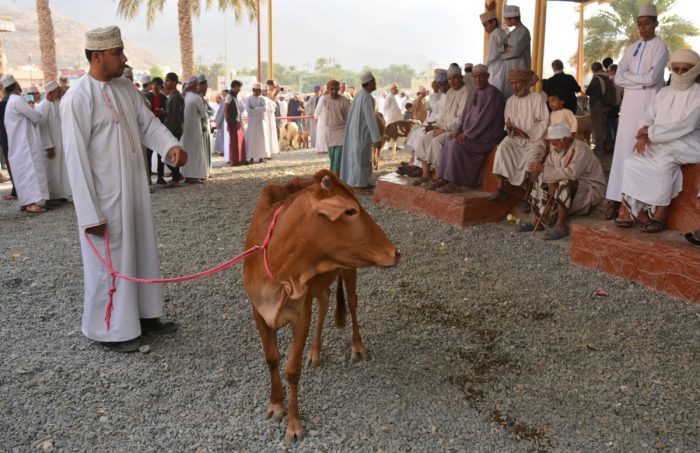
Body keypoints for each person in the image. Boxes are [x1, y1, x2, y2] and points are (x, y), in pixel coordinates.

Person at [60, 26, 188, 352]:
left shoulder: (126, 89)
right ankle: (110, 331)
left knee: (142, 252)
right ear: (98, 55)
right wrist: (89, 214)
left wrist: (169, 146)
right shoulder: (77, 98)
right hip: (104, 200)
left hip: (135, 192)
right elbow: (74, 160)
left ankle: (145, 316)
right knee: (111, 264)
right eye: (118, 53)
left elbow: (148, 125)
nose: (124, 58)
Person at [616, 48, 700, 233]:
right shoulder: (664, 92)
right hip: (659, 141)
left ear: (695, 70)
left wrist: (651, 133)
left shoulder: (698, 93)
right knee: (631, 162)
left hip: (687, 143)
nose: (679, 73)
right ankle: (638, 212)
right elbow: (648, 116)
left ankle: (660, 216)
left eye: (684, 70)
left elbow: (687, 125)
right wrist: (645, 132)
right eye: (675, 69)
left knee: (663, 165)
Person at [604, 4, 669, 220]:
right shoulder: (632, 48)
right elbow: (617, 76)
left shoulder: (661, 47)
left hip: (649, 106)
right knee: (622, 150)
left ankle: (638, 205)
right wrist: (639, 82)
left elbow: (652, 79)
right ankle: (615, 198)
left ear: (655, 24)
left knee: (641, 151)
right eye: (639, 24)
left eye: (646, 23)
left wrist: (632, 80)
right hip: (629, 105)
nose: (642, 28)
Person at [517, 123, 605, 240]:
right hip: (567, 183)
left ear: (565, 139)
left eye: (556, 143)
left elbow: (572, 173)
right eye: (552, 143)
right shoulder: (558, 148)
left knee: (565, 183)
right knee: (540, 179)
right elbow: (549, 165)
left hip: (590, 189)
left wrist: (545, 170)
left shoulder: (581, 149)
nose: (554, 147)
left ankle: (560, 226)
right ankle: (537, 221)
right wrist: (550, 181)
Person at [433, 64, 506, 193]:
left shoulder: (493, 93)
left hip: (485, 137)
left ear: (487, 76)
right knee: (450, 141)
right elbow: (465, 114)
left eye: (481, 76)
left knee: (456, 145)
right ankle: (444, 179)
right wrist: (459, 131)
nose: (478, 80)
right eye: (475, 77)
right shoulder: (473, 92)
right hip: (470, 133)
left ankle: (456, 182)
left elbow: (485, 119)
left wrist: (468, 134)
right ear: (472, 78)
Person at [491, 68, 549, 201]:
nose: (514, 87)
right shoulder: (510, 101)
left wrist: (528, 133)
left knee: (533, 159)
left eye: (517, 83)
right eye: (512, 83)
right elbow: (508, 122)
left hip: (535, 140)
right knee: (502, 147)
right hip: (515, 139)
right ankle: (501, 188)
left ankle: (527, 197)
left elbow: (544, 121)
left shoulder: (537, 98)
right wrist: (511, 129)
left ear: (525, 84)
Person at [413, 63, 470, 187]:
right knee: (425, 138)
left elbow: (460, 119)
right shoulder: (450, 93)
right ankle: (426, 175)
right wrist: (435, 126)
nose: (452, 81)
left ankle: (440, 178)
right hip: (444, 128)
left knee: (436, 141)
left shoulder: (466, 92)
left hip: (457, 130)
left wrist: (443, 130)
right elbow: (444, 116)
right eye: (450, 79)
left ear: (461, 77)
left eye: (455, 78)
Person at [2, 74, 49, 213]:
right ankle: (30, 203)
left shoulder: (11, 101)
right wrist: (33, 108)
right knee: (29, 173)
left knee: (21, 174)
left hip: (18, 145)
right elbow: (36, 116)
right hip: (25, 145)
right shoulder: (17, 101)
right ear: (16, 85)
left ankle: (25, 202)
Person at [339, 71, 383, 189]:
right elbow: (371, 119)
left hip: (355, 132)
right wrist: (377, 138)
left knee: (357, 158)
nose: (375, 84)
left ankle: (360, 181)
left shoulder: (359, 95)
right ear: (369, 83)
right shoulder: (367, 98)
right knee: (362, 159)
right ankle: (361, 183)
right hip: (362, 134)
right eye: (374, 82)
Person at [36, 80, 71, 203]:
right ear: (50, 93)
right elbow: (43, 129)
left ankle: (61, 194)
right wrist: (49, 146)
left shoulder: (59, 103)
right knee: (51, 171)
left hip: (61, 143)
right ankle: (51, 197)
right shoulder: (41, 107)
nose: (60, 93)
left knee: (62, 170)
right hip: (51, 145)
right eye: (57, 91)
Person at [501, 5, 532, 99]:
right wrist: (506, 49)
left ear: (513, 19)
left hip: (520, 71)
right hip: (509, 71)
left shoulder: (524, 32)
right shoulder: (512, 32)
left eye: (506, 19)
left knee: (521, 98)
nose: (505, 21)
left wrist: (502, 54)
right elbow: (504, 47)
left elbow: (515, 51)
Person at [180, 76, 207, 183]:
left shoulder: (186, 97)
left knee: (188, 151)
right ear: (194, 86)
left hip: (186, 129)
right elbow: (204, 114)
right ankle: (194, 176)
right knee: (196, 152)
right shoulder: (196, 98)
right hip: (195, 128)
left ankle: (187, 175)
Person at [145, 77, 169, 184]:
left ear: (160, 86)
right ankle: (148, 177)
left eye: (157, 84)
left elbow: (167, 113)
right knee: (148, 154)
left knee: (160, 153)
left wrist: (162, 112)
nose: (155, 86)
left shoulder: (164, 98)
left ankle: (160, 176)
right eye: (153, 84)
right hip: (149, 128)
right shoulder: (147, 97)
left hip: (160, 127)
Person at [163, 72, 185, 186]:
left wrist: (169, 132)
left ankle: (176, 179)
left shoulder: (177, 97)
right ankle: (177, 176)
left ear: (174, 82)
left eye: (168, 80)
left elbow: (176, 117)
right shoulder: (171, 95)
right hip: (170, 129)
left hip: (174, 130)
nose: (165, 83)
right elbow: (171, 114)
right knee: (168, 153)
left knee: (169, 154)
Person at [585, 62, 611, 153]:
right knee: (603, 126)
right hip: (607, 105)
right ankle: (603, 146)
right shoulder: (607, 77)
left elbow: (588, 91)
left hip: (597, 104)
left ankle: (599, 148)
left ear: (593, 70)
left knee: (597, 127)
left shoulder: (596, 78)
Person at [481, 9, 507, 97]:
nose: (485, 28)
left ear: (494, 22)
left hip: (496, 69)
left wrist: (484, 67)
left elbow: (493, 53)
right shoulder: (499, 33)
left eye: (486, 25)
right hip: (497, 68)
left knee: (495, 95)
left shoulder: (496, 33)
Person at [0, 75, 18, 200]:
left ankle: (16, 189)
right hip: (13, 136)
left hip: (6, 136)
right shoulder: (15, 101)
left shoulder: (5, 103)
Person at [244, 82, 269, 163]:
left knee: (261, 139)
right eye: (258, 90)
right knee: (251, 140)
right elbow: (248, 110)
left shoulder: (262, 99)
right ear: (253, 90)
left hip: (260, 122)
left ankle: (261, 157)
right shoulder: (248, 99)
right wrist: (258, 110)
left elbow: (264, 108)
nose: (259, 92)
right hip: (251, 123)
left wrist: (254, 108)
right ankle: (251, 157)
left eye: (260, 90)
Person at [224, 80, 246, 166]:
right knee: (234, 141)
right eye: (238, 87)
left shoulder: (235, 96)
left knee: (239, 140)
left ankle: (240, 159)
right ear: (234, 87)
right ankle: (234, 160)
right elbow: (225, 110)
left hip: (237, 121)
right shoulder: (229, 96)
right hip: (232, 121)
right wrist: (227, 122)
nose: (240, 89)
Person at [605, 64, 623, 153]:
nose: (608, 72)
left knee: (608, 125)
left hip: (610, 105)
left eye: (609, 70)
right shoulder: (621, 81)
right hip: (617, 105)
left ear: (613, 70)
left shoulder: (611, 80)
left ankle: (609, 144)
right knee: (615, 124)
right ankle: (617, 142)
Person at [213, 89, 228, 156]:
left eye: (223, 93)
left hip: (223, 121)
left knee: (222, 136)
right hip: (227, 120)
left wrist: (218, 122)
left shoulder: (224, 100)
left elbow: (221, 112)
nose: (222, 94)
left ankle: (223, 151)